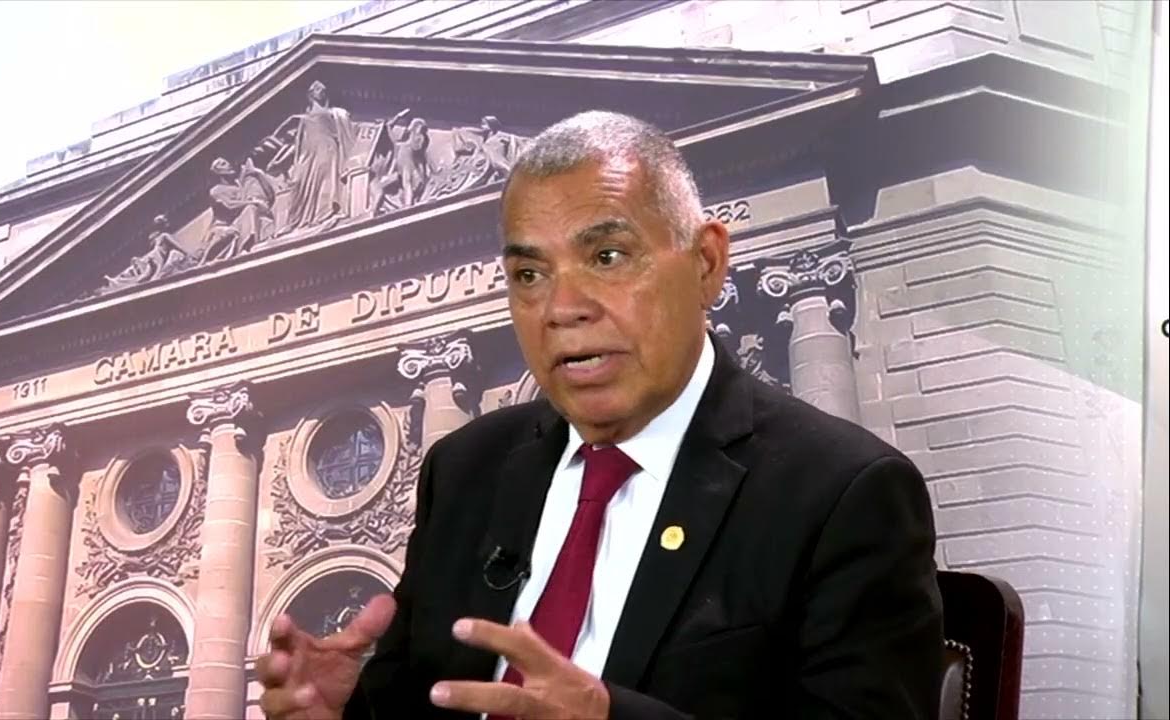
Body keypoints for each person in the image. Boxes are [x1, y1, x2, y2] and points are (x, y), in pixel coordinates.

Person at [258, 111, 943, 719]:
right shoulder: (466, 470)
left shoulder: (843, 494)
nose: (563, 309)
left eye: (608, 257)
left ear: (706, 263)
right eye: (530, 275)